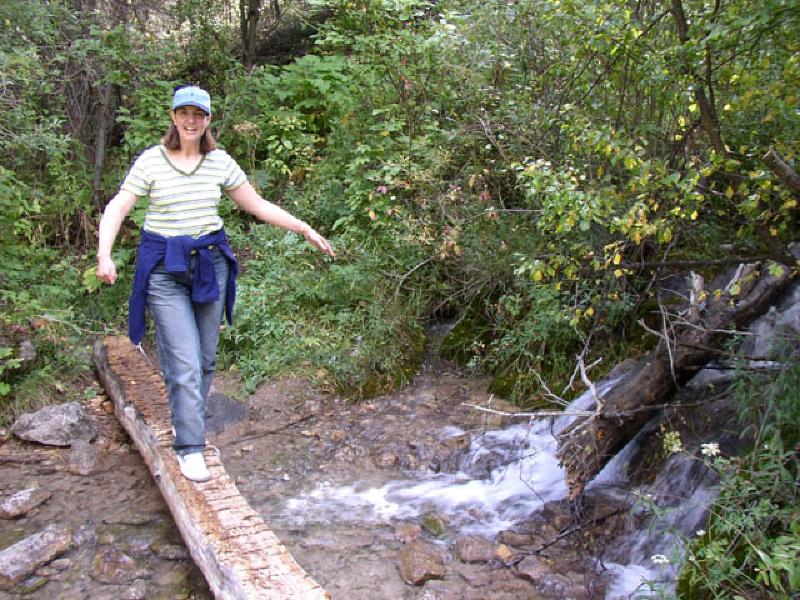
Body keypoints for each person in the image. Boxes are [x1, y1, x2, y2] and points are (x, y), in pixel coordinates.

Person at [96, 85, 335, 482]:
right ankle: (190, 445)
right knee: (185, 360)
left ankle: (184, 420)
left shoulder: (219, 162)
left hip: (210, 265)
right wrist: (105, 255)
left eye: (198, 114)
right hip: (163, 270)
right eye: (184, 113)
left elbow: (256, 204)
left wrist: (303, 227)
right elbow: (118, 205)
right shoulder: (151, 162)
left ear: (208, 120)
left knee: (205, 359)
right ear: (173, 117)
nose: (191, 121)